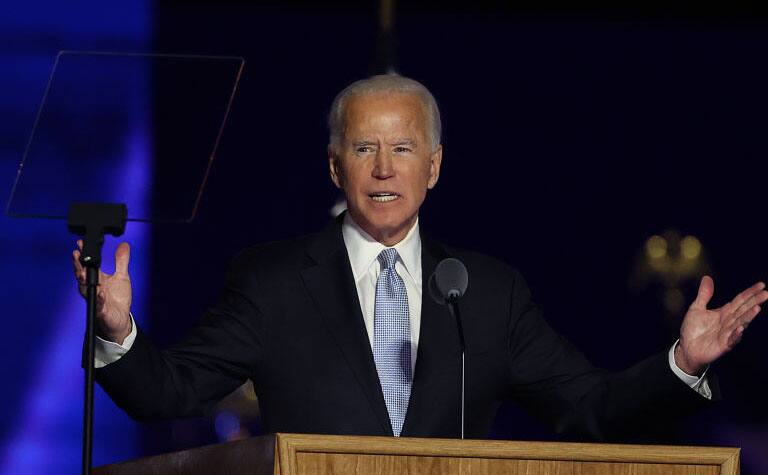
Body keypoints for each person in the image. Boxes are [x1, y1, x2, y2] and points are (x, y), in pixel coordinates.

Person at [72, 74, 767, 440]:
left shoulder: (488, 292)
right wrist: (115, 335)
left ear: (432, 167)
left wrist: (681, 365)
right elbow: (168, 392)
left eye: (401, 148)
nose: (383, 168)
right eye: (364, 149)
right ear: (334, 166)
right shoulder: (274, 281)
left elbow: (589, 407)